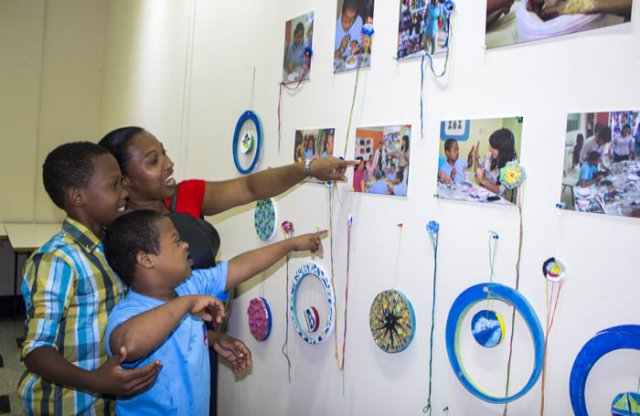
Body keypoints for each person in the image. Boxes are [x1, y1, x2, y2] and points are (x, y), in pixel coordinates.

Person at [99, 126, 354, 415]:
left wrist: (306, 170)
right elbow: (125, 341)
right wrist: (186, 306)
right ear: (125, 182)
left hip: (196, 346)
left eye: (163, 151)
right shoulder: (113, 237)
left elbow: (248, 195)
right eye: (153, 160)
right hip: (149, 369)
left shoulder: (186, 206)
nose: (169, 163)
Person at [103, 210, 327, 415]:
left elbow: (240, 267)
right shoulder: (128, 312)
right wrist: (186, 304)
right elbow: (127, 345)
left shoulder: (189, 284)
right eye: (176, 241)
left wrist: (291, 245)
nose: (185, 245)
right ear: (146, 259)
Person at [18, 142, 160, 415]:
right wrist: (96, 381)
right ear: (77, 196)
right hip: (64, 405)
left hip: (104, 402)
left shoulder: (109, 248)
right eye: (114, 185)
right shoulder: (58, 259)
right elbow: (36, 350)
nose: (125, 192)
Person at [474, 128, 517, 197]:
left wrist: (484, 181)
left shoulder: (511, 168)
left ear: (503, 149)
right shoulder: (489, 157)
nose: (490, 149)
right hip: (483, 195)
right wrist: (476, 158)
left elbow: (500, 191)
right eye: (491, 146)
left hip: (496, 201)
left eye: (494, 147)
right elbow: (478, 173)